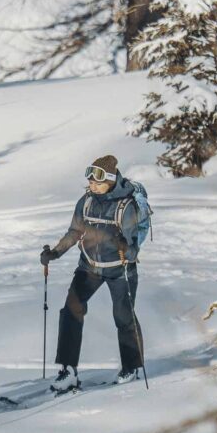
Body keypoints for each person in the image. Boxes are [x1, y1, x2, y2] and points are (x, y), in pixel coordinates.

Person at [40, 155, 147, 393]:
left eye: (98, 182)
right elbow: (75, 231)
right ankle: (68, 370)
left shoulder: (126, 207)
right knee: (71, 310)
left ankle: (132, 366)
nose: (92, 185)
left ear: (110, 180)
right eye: (90, 181)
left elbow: (132, 252)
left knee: (123, 317)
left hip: (120, 270)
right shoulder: (86, 202)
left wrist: (123, 245)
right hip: (89, 266)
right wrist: (55, 253)